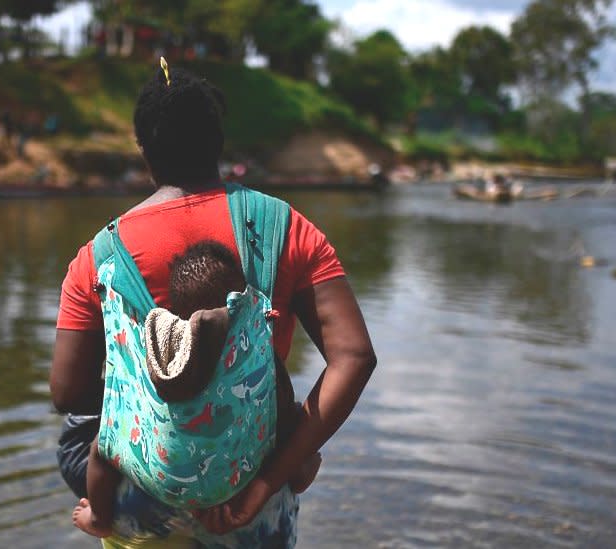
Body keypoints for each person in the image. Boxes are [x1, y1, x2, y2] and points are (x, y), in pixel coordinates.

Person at [51, 61, 375, 547]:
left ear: (144, 150)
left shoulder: (98, 259)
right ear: (218, 142)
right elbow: (354, 357)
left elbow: (68, 393)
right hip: (253, 487)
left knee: (82, 427)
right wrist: (269, 479)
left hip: (144, 494)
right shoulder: (286, 229)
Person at [71, 240, 321, 538]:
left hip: (164, 481)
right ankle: (302, 472)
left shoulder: (160, 352)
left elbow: (86, 396)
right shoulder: (252, 351)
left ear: (176, 310)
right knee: (293, 419)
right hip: (239, 478)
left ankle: (99, 518)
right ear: (239, 303)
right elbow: (278, 403)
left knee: (102, 446)